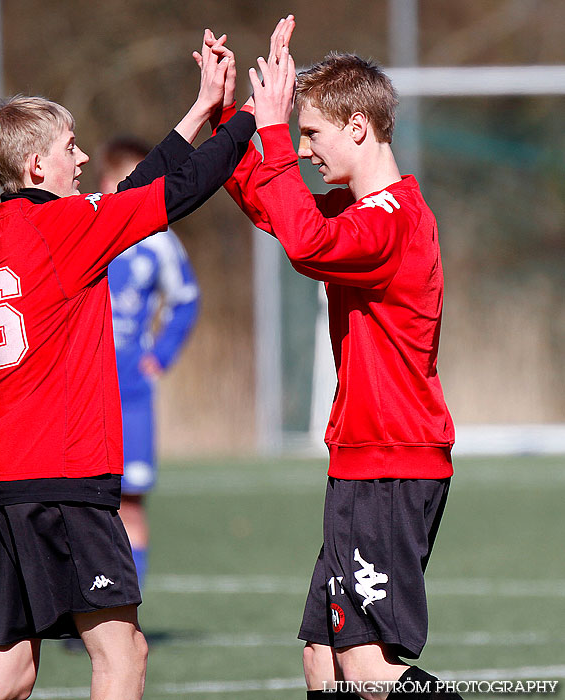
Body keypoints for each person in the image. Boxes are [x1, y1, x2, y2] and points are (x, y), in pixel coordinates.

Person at [0, 31, 249, 700]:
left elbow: (131, 195)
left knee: (8, 674)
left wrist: (198, 111)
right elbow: (179, 191)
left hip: (8, 475)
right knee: (124, 655)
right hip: (63, 476)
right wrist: (255, 117)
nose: (81, 158)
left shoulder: (14, 228)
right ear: (37, 164)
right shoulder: (64, 229)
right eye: (69, 148)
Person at [207, 16, 462, 700]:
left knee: (367, 670)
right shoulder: (361, 211)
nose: (306, 150)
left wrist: (268, 131)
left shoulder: (390, 221)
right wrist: (231, 116)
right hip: (364, 462)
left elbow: (306, 244)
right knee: (323, 658)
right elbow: (275, 207)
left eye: (311, 134)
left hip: (390, 463)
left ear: (357, 127)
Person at [99, 138, 200, 590]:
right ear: (108, 179)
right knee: (80, 506)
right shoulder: (84, 222)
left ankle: (126, 617)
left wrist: (158, 356)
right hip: (83, 389)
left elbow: (186, 298)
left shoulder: (158, 238)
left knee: (130, 503)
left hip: (131, 392)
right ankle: (83, 613)